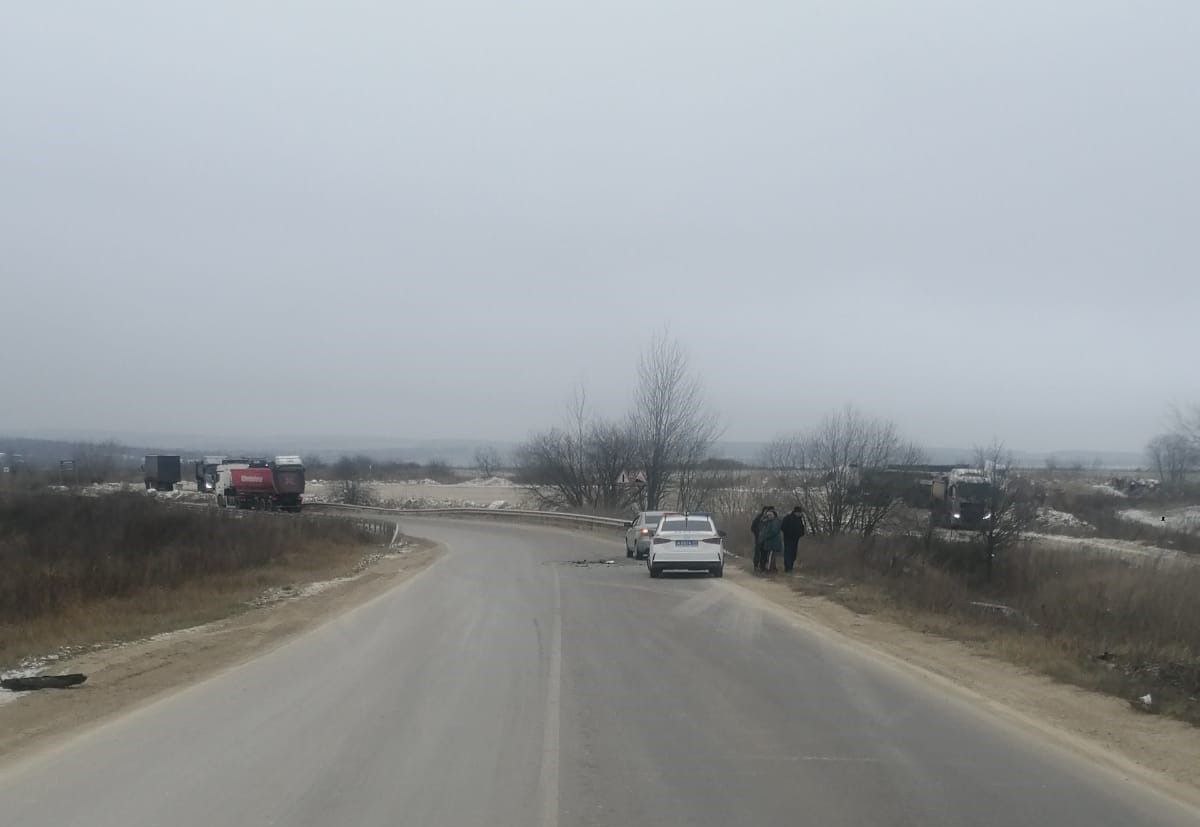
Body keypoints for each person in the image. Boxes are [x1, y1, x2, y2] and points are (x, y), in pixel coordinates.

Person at [757, 508, 783, 574]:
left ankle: (769, 570)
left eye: (770, 515)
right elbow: (762, 526)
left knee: (770, 557)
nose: (769, 516)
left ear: (774, 515)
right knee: (771, 557)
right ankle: (773, 570)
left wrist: (765, 536)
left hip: (773, 543)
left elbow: (773, 532)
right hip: (770, 543)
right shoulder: (769, 522)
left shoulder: (775, 522)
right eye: (768, 515)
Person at [781, 506, 807, 573]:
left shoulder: (799, 519)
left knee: (793, 554)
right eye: (800, 512)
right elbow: (783, 527)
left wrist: (801, 534)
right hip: (788, 539)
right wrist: (788, 533)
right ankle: (788, 568)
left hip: (796, 539)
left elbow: (802, 528)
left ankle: (790, 567)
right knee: (788, 553)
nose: (801, 514)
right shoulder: (788, 518)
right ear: (797, 512)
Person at [750, 506, 768, 572]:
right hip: (758, 538)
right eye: (765, 511)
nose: (766, 513)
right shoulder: (758, 518)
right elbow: (752, 528)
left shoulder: (769, 519)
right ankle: (756, 566)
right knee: (757, 552)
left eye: (768, 511)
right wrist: (757, 533)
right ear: (763, 511)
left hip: (766, 539)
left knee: (764, 553)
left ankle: (762, 566)